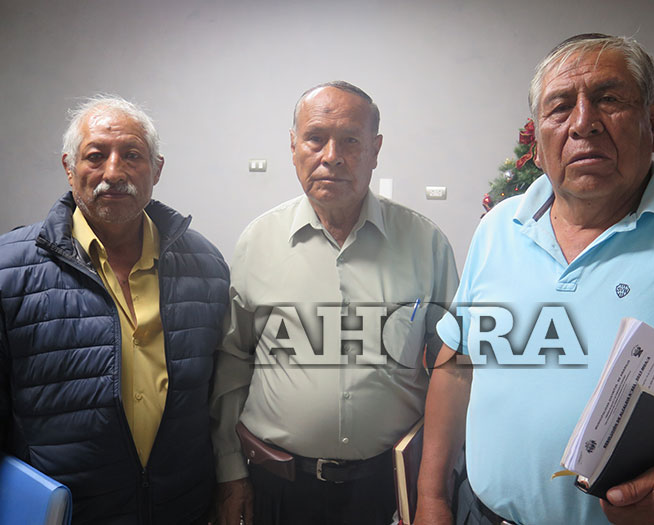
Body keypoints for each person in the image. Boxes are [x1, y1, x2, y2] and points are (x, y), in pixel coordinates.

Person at [415, 33, 654, 525]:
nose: (583, 123)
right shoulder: (498, 228)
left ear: (653, 125)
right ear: (538, 144)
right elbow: (458, 367)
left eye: (609, 99)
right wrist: (432, 499)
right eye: (560, 107)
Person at [211, 81, 459, 525]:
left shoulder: (426, 244)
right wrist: (231, 472)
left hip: (388, 489)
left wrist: (433, 491)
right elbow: (234, 361)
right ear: (293, 147)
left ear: (375, 149)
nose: (331, 156)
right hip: (279, 487)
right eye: (315, 138)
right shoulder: (258, 242)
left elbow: (450, 369)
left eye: (350, 141)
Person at [0, 95, 230, 524]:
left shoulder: (206, 266)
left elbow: (217, 399)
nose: (113, 172)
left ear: (157, 169)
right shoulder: (9, 271)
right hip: (67, 514)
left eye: (132, 156)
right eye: (95, 156)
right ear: (69, 168)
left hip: (182, 508)